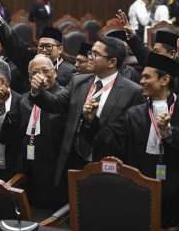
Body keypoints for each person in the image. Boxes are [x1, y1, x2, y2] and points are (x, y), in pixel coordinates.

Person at [82, 52, 179, 228]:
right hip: (140, 188)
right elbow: (108, 142)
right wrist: (91, 121)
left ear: (164, 80)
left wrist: (169, 133)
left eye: (147, 77)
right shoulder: (134, 113)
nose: (141, 81)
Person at [29, 36, 144, 204]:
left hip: (106, 163)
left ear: (112, 62)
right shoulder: (78, 81)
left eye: (95, 54)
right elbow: (55, 104)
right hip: (73, 158)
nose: (89, 56)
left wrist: (92, 122)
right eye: (91, 52)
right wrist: (37, 91)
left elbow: (126, 138)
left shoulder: (132, 92)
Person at [0, 0, 76, 87]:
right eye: (41, 46)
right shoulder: (31, 62)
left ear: (60, 49)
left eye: (48, 46)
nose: (44, 50)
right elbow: (13, 43)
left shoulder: (69, 71)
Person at [20, 54, 66, 210]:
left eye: (45, 71)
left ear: (55, 72)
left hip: (55, 168)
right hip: (29, 165)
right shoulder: (24, 99)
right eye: (35, 73)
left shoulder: (63, 98)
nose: (41, 76)